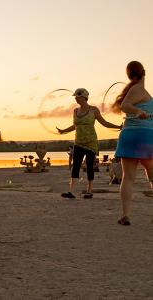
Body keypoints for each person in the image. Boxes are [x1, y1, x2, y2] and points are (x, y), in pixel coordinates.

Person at [57, 88, 122, 199]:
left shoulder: (93, 110)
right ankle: (71, 192)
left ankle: (89, 191)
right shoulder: (75, 111)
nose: (75, 98)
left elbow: (104, 123)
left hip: (91, 142)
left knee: (89, 166)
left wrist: (118, 127)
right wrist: (64, 131)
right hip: (78, 142)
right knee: (75, 166)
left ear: (83, 97)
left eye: (77, 96)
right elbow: (75, 126)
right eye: (75, 97)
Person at [112, 61, 153, 225]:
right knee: (151, 177)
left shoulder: (137, 90)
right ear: (144, 73)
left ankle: (125, 215)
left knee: (128, 178)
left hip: (130, 136)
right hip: (144, 138)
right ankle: (126, 215)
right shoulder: (139, 89)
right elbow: (125, 106)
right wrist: (137, 111)